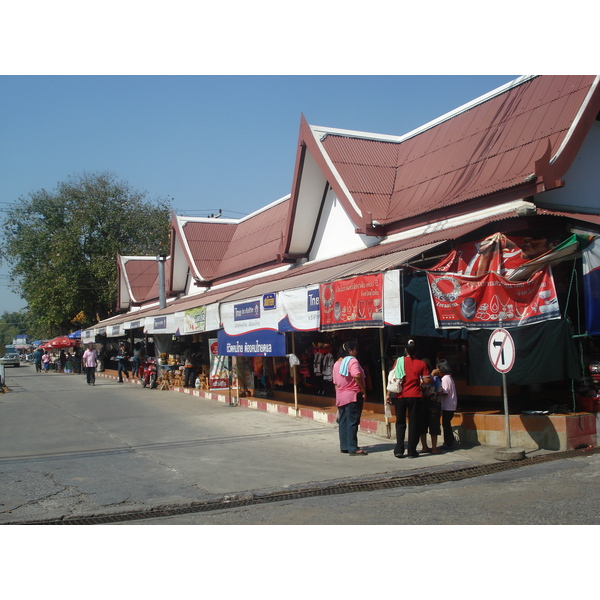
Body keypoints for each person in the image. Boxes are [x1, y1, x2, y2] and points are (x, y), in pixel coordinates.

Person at [386, 340, 431, 458]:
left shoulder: (398, 361)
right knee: (414, 423)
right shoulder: (421, 364)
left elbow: (393, 378)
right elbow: (426, 380)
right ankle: (412, 451)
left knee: (400, 422)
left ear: (405, 350)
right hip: (415, 396)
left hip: (399, 396)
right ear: (416, 351)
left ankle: (399, 450)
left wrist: (388, 394)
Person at [332, 341, 368, 456]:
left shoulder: (337, 363)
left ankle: (345, 446)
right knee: (352, 421)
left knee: (343, 421)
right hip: (352, 395)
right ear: (350, 351)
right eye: (355, 349)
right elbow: (357, 375)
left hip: (341, 395)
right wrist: (363, 389)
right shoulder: (352, 361)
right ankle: (353, 447)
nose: (356, 352)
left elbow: (336, 383)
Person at [419, 358, 442, 454]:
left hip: (422, 403)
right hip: (433, 404)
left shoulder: (419, 377)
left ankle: (425, 446)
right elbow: (439, 391)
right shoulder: (435, 378)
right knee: (434, 426)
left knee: (423, 426)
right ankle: (434, 447)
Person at [435, 361, 458, 449]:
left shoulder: (445, 379)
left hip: (448, 405)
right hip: (450, 404)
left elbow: (446, 392)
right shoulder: (449, 378)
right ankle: (450, 439)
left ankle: (448, 443)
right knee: (446, 423)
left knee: (446, 424)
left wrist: (437, 393)